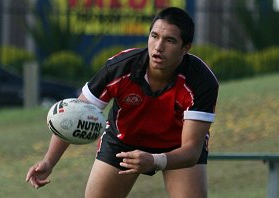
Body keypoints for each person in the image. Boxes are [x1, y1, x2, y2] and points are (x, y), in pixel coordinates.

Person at [26, 7, 219, 198]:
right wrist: (49, 162)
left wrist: (154, 160)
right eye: (154, 36)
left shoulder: (201, 81)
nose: (158, 47)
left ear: (185, 48)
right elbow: (73, 114)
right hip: (123, 141)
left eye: (169, 41)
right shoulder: (120, 68)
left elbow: (192, 151)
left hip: (177, 147)